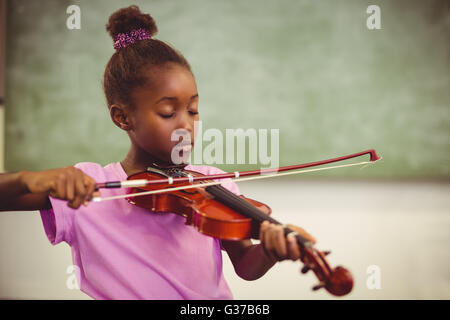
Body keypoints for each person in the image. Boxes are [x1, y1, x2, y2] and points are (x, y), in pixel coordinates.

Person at [0, 6, 315, 299]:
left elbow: (245, 264)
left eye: (192, 110)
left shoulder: (211, 184)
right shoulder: (89, 187)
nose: (187, 125)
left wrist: (270, 252)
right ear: (123, 117)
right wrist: (29, 179)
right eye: (168, 113)